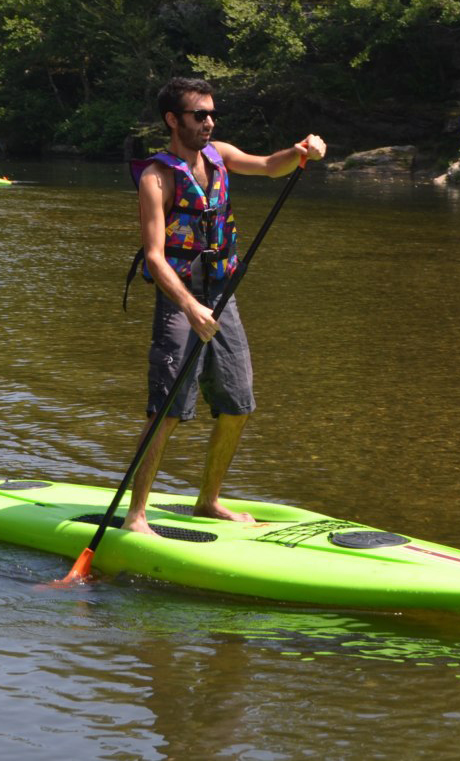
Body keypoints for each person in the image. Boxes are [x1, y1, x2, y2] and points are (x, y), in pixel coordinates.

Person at [123, 77, 326, 536]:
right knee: (168, 410)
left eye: (212, 114)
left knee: (238, 404)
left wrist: (301, 151)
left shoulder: (220, 156)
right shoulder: (157, 177)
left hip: (223, 294)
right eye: (200, 115)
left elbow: (271, 166)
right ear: (174, 119)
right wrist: (191, 307)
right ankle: (136, 515)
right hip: (180, 299)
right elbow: (155, 256)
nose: (209, 122)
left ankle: (208, 502)